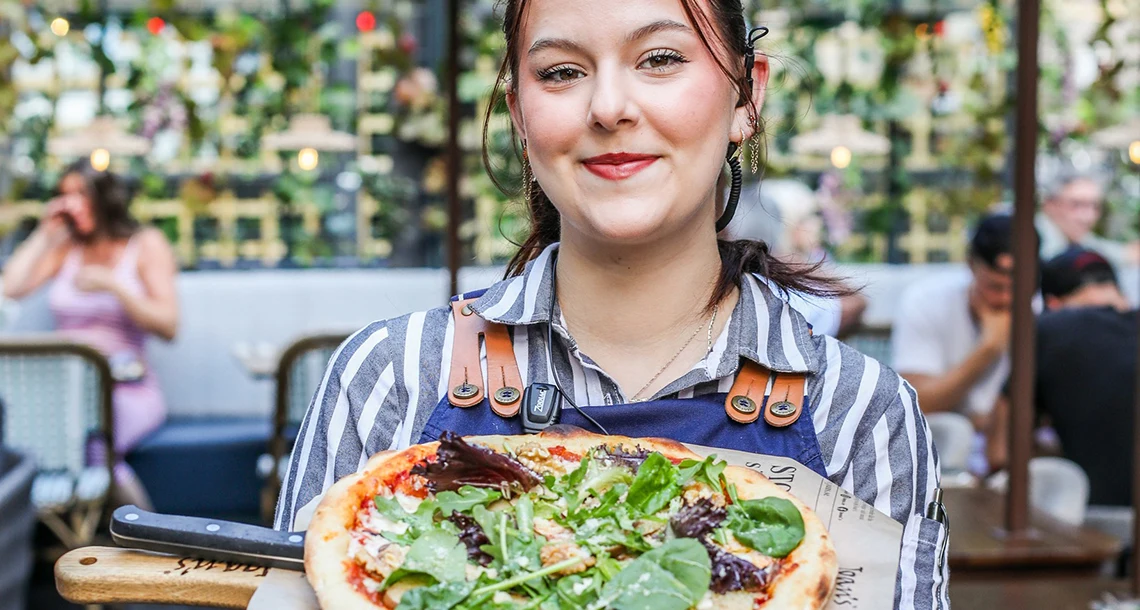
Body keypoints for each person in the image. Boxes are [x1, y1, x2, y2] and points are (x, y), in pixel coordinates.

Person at [276, 0, 947, 605]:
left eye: (660, 59)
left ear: (748, 96)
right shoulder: (391, 373)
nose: (608, 107)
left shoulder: (860, 411)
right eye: (562, 72)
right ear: (519, 115)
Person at [1, 158, 179, 507]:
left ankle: (146, 537)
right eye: (64, 194)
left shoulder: (145, 244)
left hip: (126, 389)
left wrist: (115, 287)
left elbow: (169, 325)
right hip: (67, 392)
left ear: (104, 198)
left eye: (79, 194)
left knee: (93, 442)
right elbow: (10, 287)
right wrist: (43, 234)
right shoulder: (68, 249)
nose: (70, 202)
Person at [987, 247, 1136, 505]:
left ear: (1052, 304)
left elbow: (1000, 453)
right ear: (1119, 292)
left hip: (1103, 525)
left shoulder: (1049, 330)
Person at [892, 214, 1023, 474]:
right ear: (971, 266)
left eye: (1017, 288)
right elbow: (917, 404)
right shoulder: (926, 300)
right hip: (938, 456)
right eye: (995, 287)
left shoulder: (1043, 310)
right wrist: (988, 350)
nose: (1006, 299)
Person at [728, 179, 866, 337]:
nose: (817, 223)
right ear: (787, 222)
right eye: (809, 215)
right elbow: (855, 303)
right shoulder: (781, 293)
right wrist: (786, 260)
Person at [1037, 173, 1140, 269]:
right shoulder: (1033, 239)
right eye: (1077, 204)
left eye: (1095, 206)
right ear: (1050, 205)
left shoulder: (1076, 238)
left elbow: (1102, 249)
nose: (1088, 216)